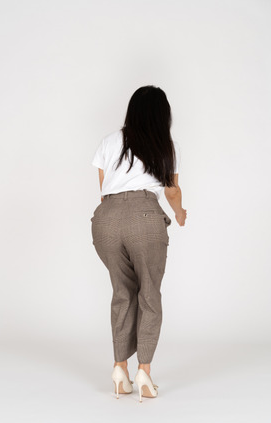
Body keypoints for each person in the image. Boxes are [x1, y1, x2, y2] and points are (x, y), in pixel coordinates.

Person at [90, 85, 187, 402]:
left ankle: (120, 370)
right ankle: (144, 371)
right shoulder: (165, 145)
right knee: (148, 293)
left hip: (105, 220)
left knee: (122, 292)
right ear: (163, 115)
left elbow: (104, 190)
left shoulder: (109, 141)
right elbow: (172, 190)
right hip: (145, 217)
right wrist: (179, 212)